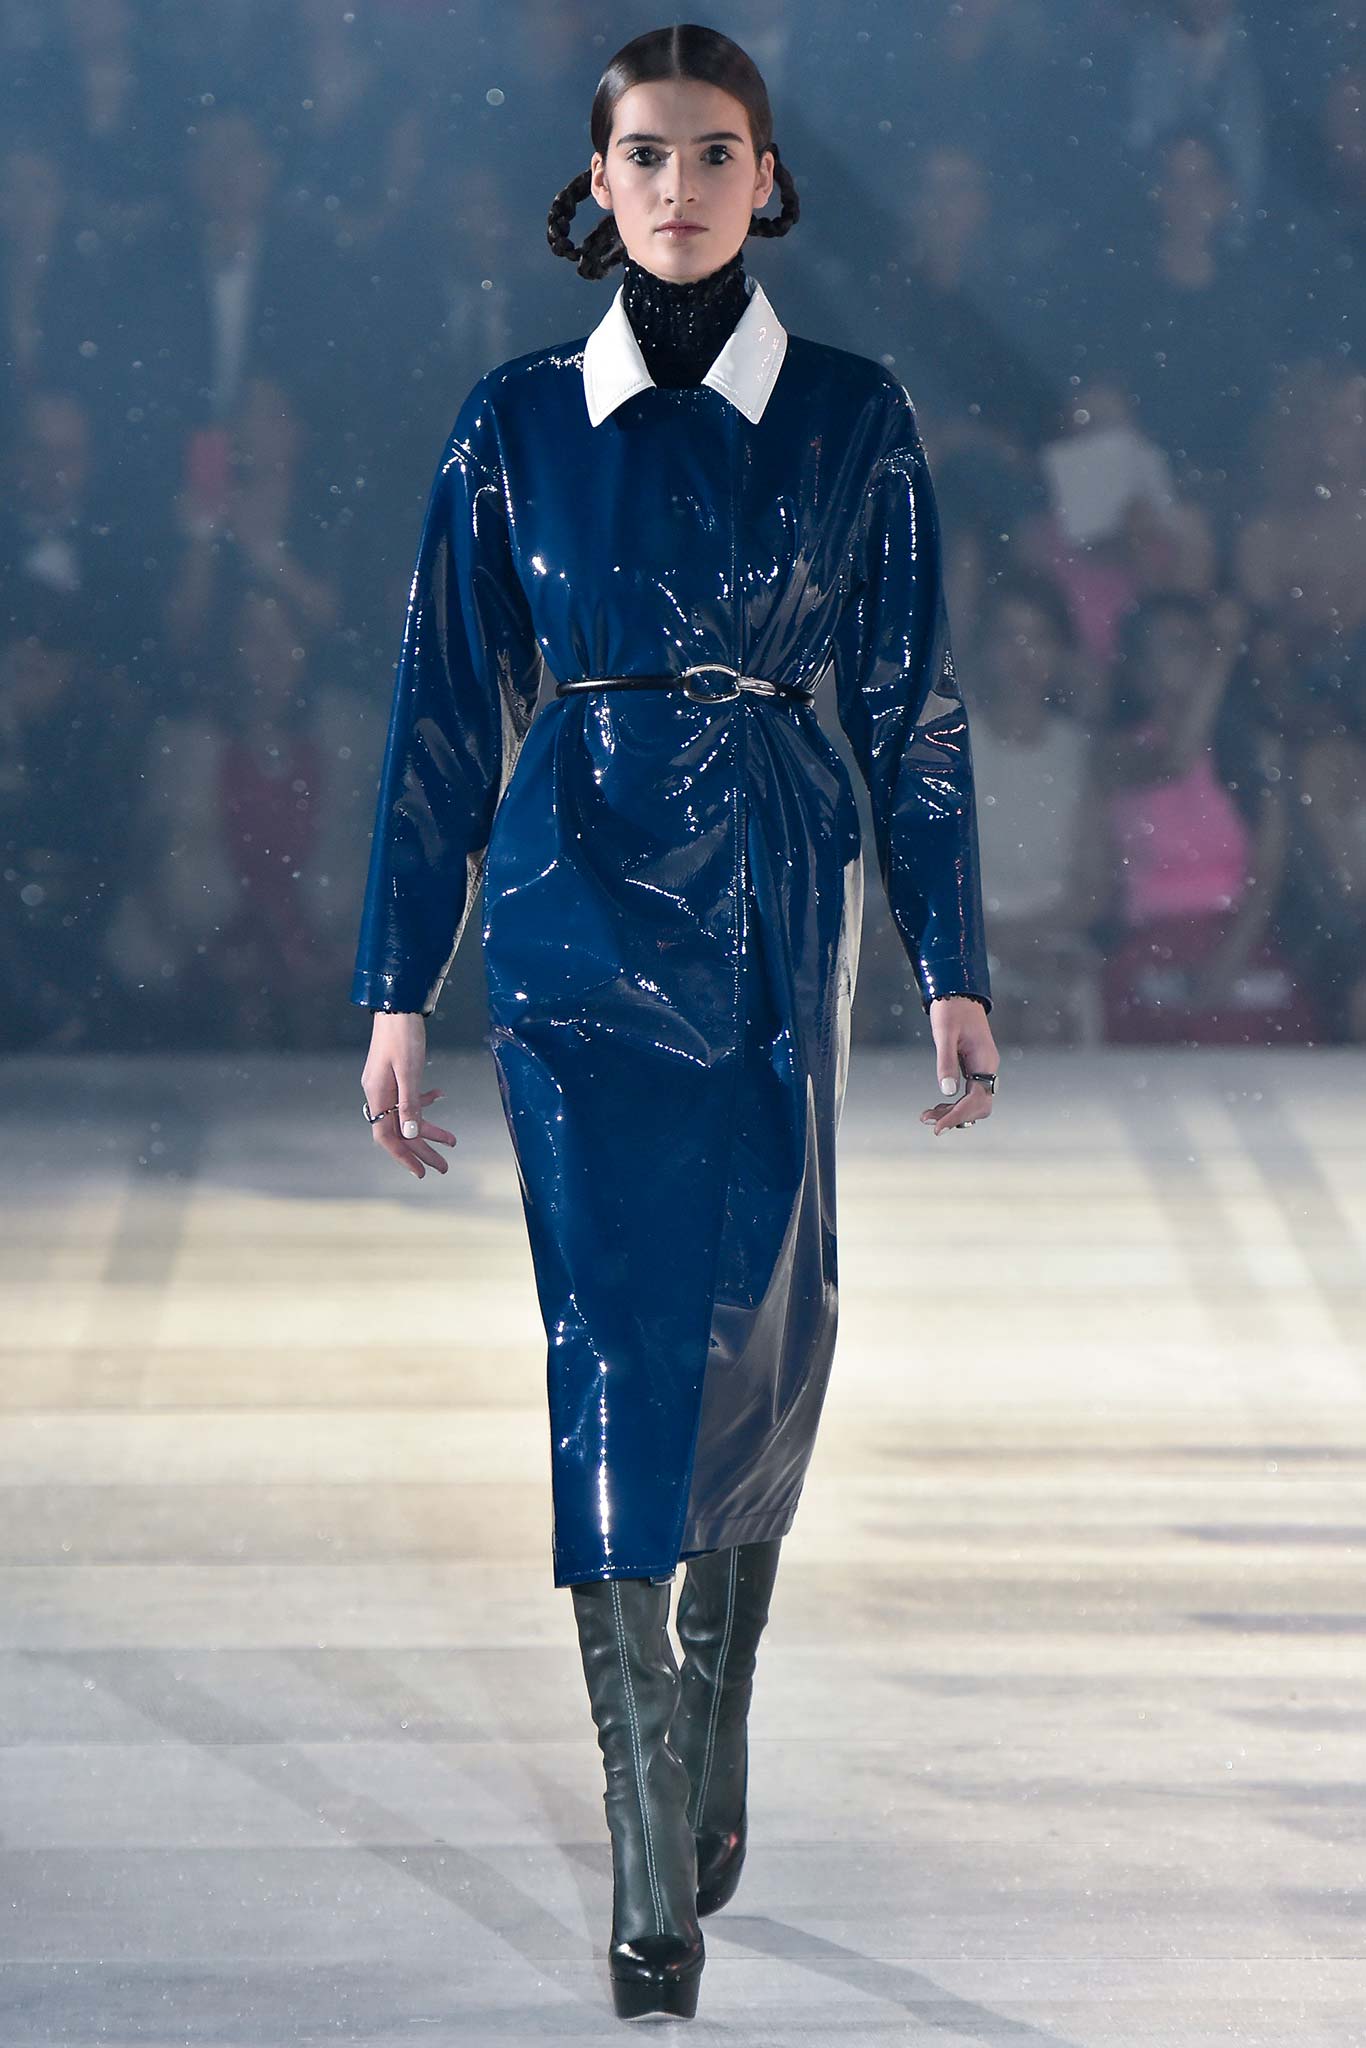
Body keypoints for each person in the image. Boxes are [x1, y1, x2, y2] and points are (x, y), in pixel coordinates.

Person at [349, 25, 999, 2023]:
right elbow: (442, 711)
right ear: (599, 179)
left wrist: (948, 957)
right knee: (616, 1342)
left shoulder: (851, 414)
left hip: (772, 892)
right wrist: (396, 981)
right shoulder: (515, 418)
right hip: (571, 904)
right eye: (647, 153)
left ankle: (708, 1713)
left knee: (765, 1324)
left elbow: (908, 704)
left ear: (767, 181)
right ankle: (647, 1840)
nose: (682, 186)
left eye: (717, 154)